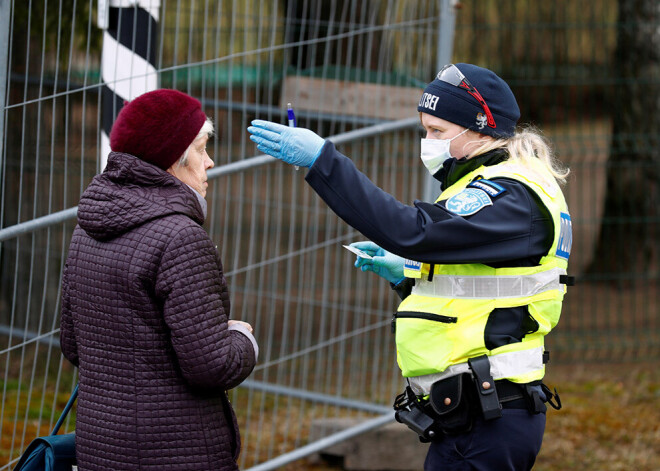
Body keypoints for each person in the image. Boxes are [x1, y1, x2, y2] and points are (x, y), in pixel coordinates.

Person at [248, 63, 572, 470]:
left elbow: (412, 232)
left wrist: (323, 161)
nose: (427, 141)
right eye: (425, 129)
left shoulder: (511, 195)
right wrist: (409, 277)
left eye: (438, 131)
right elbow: (482, 286)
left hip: (489, 417)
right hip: (473, 414)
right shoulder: (497, 186)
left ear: (481, 128)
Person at [60, 89, 258, 471]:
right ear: (172, 160)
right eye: (201, 150)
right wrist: (242, 339)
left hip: (100, 448)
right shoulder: (180, 239)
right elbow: (211, 366)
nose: (210, 162)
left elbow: (73, 345)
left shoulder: (85, 231)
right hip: (176, 452)